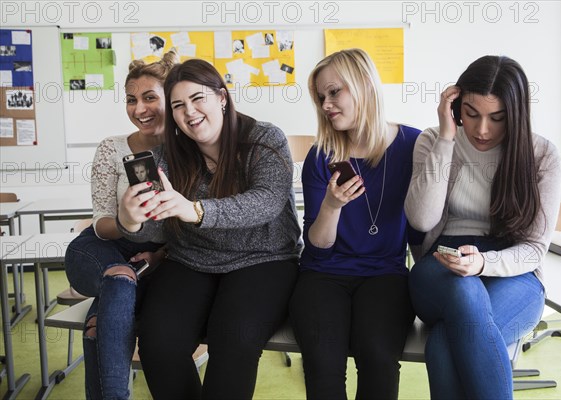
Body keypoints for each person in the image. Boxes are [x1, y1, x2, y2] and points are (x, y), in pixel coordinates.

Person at [116, 58, 302, 399]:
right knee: (158, 344)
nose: (189, 112)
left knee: (234, 341)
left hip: (264, 259)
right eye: (178, 105)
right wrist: (130, 219)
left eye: (197, 98)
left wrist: (196, 210)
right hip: (191, 260)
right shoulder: (163, 158)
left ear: (221, 98)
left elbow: (267, 202)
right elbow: (150, 231)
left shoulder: (264, 138)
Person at [405, 55, 561, 399]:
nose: (481, 130)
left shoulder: (542, 155)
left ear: (516, 114)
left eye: (497, 118)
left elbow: (534, 249)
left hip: (514, 271)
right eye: (471, 114)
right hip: (441, 266)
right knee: (464, 290)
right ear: (456, 106)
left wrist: (483, 264)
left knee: (444, 346)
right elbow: (420, 219)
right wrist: (447, 138)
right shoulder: (433, 141)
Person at [289, 48, 421, 399]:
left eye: (335, 92)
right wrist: (332, 206)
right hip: (323, 273)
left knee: (378, 357)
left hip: (385, 273)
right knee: (322, 364)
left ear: (364, 85)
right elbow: (318, 244)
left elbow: (427, 217)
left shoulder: (413, 144)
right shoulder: (320, 156)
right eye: (321, 97)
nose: (326, 104)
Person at [64, 49, 179, 400]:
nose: (139, 109)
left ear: (170, 99)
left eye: (149, 97)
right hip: (99, 249)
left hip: (159, 261)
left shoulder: (190, 150)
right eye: (131, 100)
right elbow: (99, 224)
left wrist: (159, 256)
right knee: (118, 274)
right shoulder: (111, 148)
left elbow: (196, 222)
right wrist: (127, 221)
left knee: (100, 321)